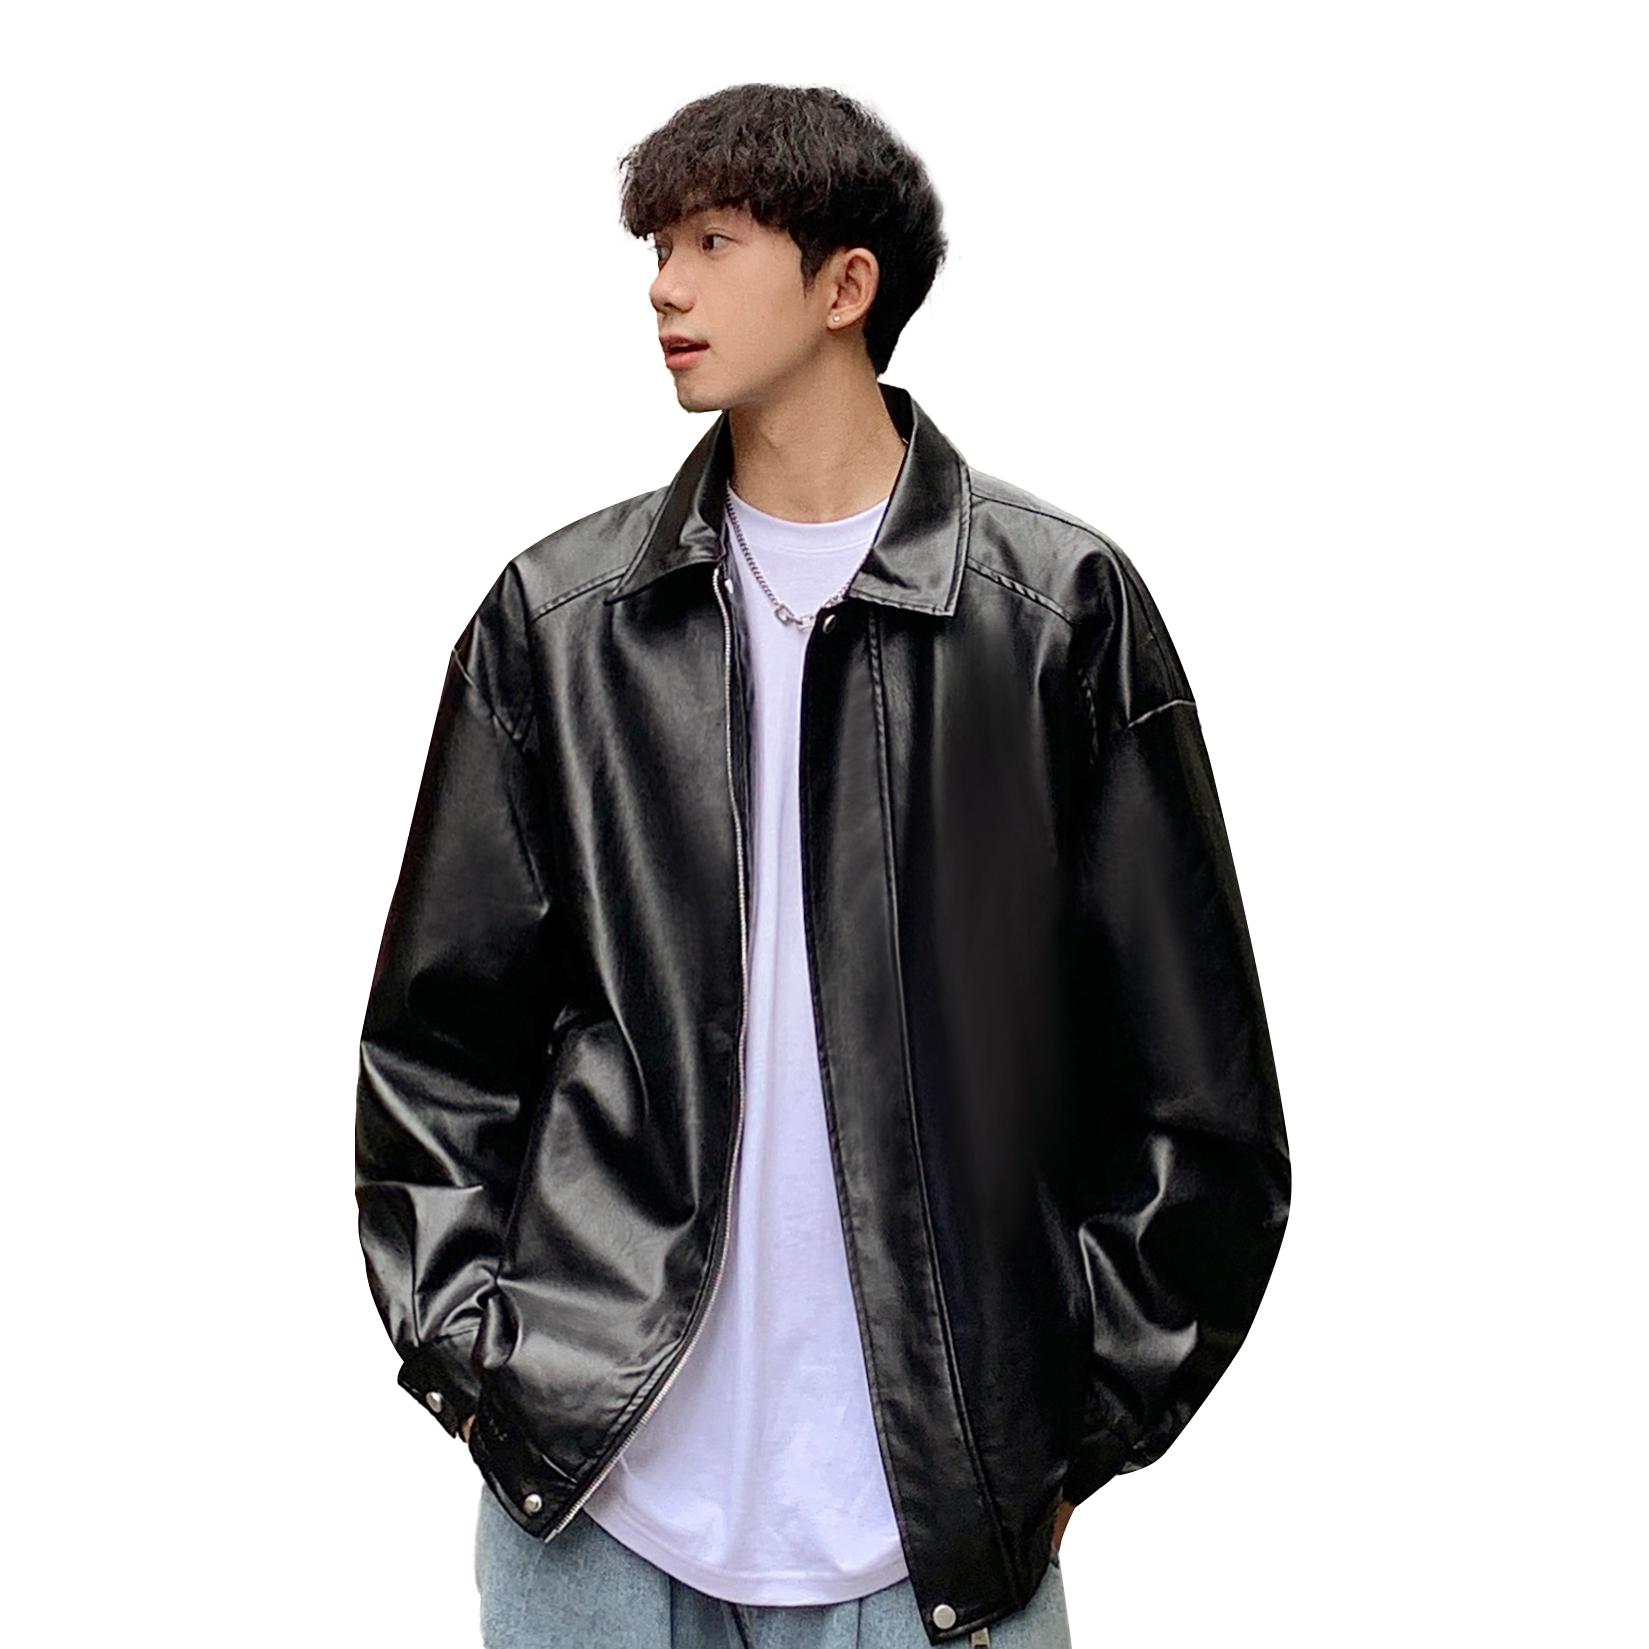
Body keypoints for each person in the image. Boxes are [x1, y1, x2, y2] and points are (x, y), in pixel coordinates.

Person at [355, 82, 1290, 1649]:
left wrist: (1072, 1433)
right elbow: (437, 1047)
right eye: (656, 246)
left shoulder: (1052, 620)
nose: (664, 286)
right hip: (596, 1502)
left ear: (845, 285)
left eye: (713, 243)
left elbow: (1200, 1103)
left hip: (934, 1528)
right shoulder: (560, 627)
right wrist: (481, 1367)